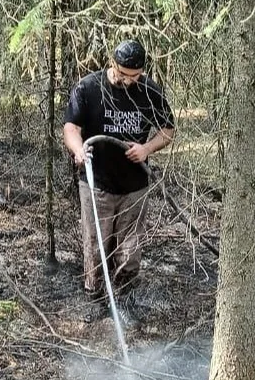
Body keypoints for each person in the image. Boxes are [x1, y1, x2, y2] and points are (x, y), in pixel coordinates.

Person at [63, 40, 175, 311]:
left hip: (134, 186)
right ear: (113, 64)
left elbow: (168, 130)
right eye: (124, 75)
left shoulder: (150, 91)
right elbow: (71, 128)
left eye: (135, 76)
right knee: (96, 247)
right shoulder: (88, 87)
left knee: (130, 250)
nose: (129, 81)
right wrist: (79, 150)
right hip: (97, 183)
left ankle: (125, 299)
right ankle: (95, 299)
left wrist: (147, 148)